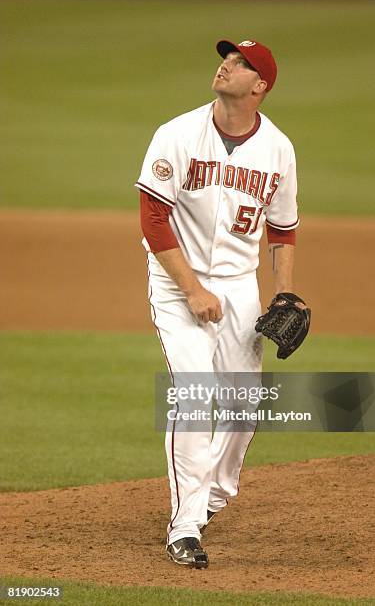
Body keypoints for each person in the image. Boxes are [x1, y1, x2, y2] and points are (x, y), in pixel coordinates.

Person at [136, 39, 301, 569]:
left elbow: (283, 228)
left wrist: (284, 292)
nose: (225, 64)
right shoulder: (177, 133)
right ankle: (184, 527)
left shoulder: (277, 148)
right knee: (193, 393)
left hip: (237, 287)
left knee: (243, 406)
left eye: (239, 63)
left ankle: (211, 495)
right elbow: (153, 220)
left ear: (259, 86)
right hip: (176, 281)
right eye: (226, 57)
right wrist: (190, 289)